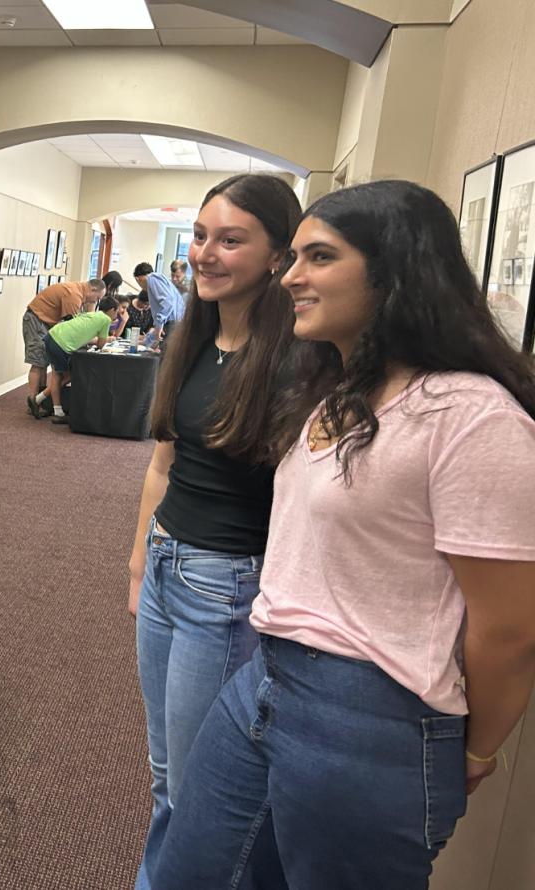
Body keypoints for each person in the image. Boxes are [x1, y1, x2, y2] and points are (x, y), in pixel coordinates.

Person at [152, 180, 535, 889]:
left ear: (396, 270)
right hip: (265, 678)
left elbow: (510, 628)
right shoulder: (332, 387)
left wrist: (473, 754)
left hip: (372, 713)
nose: (291, 275)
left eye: (318, 256)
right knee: (189, 872)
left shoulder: (471, 416)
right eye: (292, 256)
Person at [128, 174, 338, 890]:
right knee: (164, 779)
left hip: (227, 589)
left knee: (202, 795)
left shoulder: (302, 362)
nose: (205, 254)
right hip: (164, 570)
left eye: (231, 240)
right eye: (199, 236)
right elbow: (164, 461)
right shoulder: (194, 338)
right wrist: (137, 566)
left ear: (278, 257)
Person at [30, 295, 121, 424]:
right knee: (61, 377)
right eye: (116, 312)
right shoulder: (106, 319)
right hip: (61, 343)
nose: (116, 316)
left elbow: (78, 329)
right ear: (112, 310)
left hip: (52, 335)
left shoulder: (91, 314)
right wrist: (108, 330)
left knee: (59, 376)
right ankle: (55, 411)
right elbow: (101, 345)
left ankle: (41, 401)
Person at [23, 278, 105, 414]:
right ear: (93, 290)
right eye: (97, 298)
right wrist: (93, 340)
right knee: (38, 362)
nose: (95, 302)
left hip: (46, 323)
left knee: (44, 362)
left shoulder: (79, 291)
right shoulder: (74, 295)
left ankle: (42, 401)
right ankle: (32, 403)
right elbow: (73, 328)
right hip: (36, 320)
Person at [134, 261, 185, 344]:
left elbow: (167, 302)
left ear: (137, 279)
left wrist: (159, 326)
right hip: (175, 324)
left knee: (166, 355)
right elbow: (161, 328)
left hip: (173, 325)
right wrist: (145, 342)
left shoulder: (152, 278)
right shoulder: (159, 280)